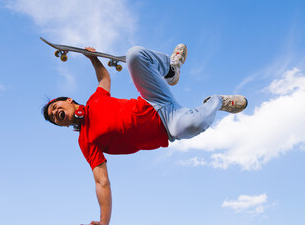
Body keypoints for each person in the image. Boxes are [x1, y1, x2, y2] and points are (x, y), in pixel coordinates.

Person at [42, 44, 247, 225]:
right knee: (194, 124)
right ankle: (217, 101)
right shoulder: (86, 140)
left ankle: (171, 69)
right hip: (169, 125)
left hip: (153, 98)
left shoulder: (95, 99)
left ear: (68, 101)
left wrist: (93, 59)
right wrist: (104, 221)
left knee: (134, 54)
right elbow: (101, 181)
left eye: (55, 108)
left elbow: (104, 79)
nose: (55, 114)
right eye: (53, 118)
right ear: (62, 124)